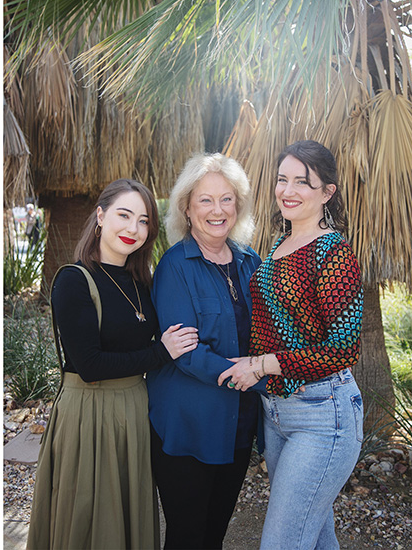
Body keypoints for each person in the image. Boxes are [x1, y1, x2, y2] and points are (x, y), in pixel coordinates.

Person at [26, 179, 199, 550]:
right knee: (89, 514)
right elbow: (89, 364)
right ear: (101, 216)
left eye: (143, 221)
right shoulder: (74, 280)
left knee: (127, 513)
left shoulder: (142, 282)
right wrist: (161, 353)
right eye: (124, 215)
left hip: (134, 409)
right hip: (89, 410)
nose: (132, 229)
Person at [218, 140, 363, 550]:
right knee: (314, 538)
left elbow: (342, 350)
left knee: (282, 542)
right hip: (278, 414)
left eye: (303, 181)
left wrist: (260, 365)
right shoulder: (278, 246)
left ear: (326, 193)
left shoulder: (333, 253)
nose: (289, 190)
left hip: (324, 417)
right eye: (283, 179)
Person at [147, 153, 263, 549]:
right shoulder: (175, 266)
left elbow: (267, 334)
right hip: (189, 424)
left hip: (238, 423)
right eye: (206, 200)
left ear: (238, 205)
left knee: (215, 531)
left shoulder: (252, 263)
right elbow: (186, 352)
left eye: (227, 199)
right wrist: (247, 371)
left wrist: (265, 365)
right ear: (187, 208)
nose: (218, 210)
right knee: (187, 535)